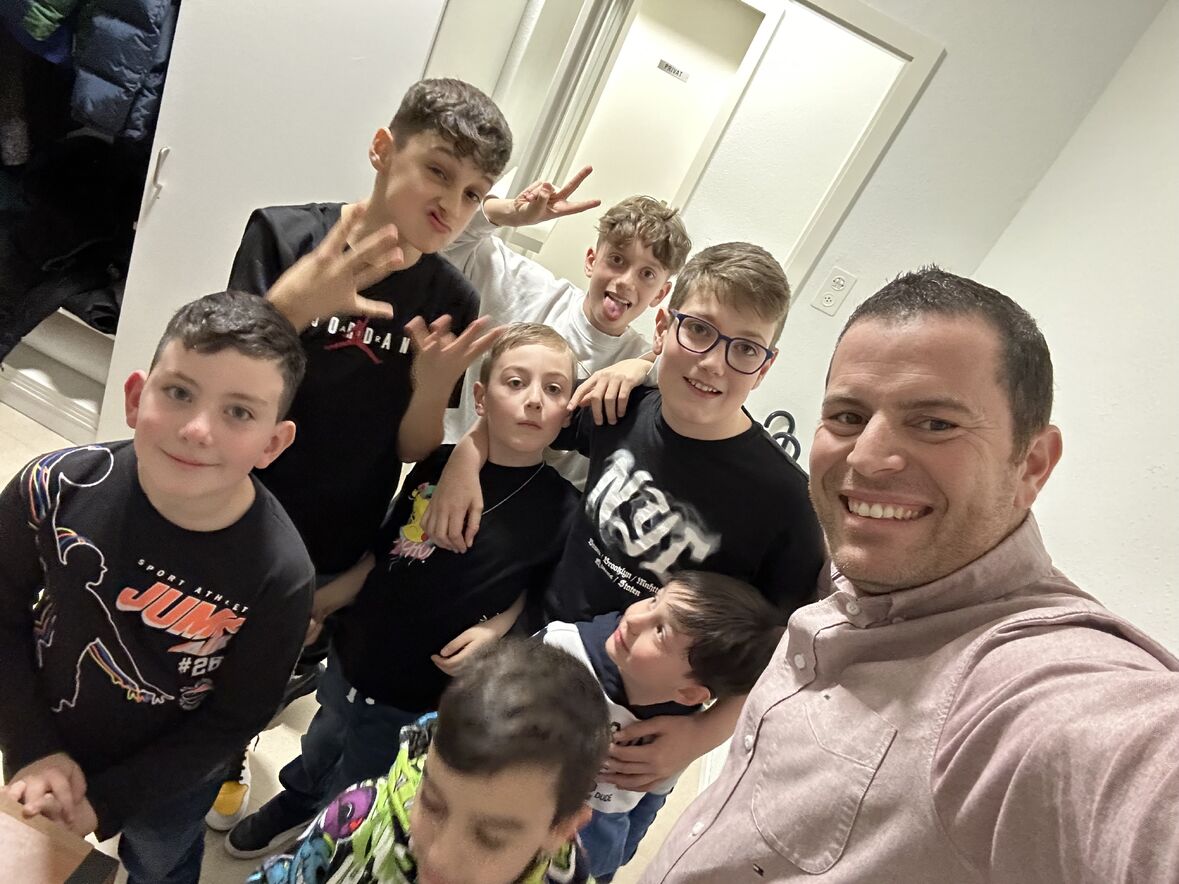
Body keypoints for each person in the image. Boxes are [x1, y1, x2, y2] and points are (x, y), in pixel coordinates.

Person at [640, 267, 1179, 883]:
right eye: (847, 416)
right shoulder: (851, 578)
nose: (868, 457)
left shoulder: (1034, 687)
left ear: (1032, 464)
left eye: (935, 423)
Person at [430, 240, 826, 836]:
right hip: (540, 655)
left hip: (634, 736)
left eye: (745, 348)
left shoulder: (786, 502)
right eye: (699, 330)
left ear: (765, 366)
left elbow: (788, 654)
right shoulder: (620, 406)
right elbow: (523, 421)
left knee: (574, 857)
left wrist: (701, 734)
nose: (714, 363)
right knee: (470, 821)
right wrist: (466, 454)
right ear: (664, 326)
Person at [208, 76, 513, 828]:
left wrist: (431, 389)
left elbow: (413, 445)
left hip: (333, 531)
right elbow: (218, 376)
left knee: (262, 669)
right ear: (382, 149)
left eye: (474, 193)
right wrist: (293, 307)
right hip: (230, 505)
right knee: (190, 651)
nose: (452, 202)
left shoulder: (451, 299)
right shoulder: (286, 236)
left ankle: (227, 755)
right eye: (438, 170)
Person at [226, 323, 581, 860]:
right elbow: (386, 550)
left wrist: (496, 631)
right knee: (323, 736)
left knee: (363, 776)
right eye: (516, 382)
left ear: (567, 412)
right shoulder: (440, 463)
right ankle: (297, 797)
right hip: (356, 649)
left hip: (421, 688)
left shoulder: (562, 510)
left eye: (553, 389)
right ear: (480, 397)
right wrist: (329, 599)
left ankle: (324, 840)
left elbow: (543, 601)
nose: (534, 400)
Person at [0, 291, 315, 884]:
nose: (197, 430)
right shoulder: (52, 487)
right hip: (44, 727)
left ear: (273, 443)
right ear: (134, 396)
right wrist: (30, 746)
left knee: (159, 861)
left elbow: (234, 718)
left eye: (239, 412)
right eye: (179, 393)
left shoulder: (281, 575)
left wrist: (107, 802)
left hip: (175, 772)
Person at [249, 638, 609, 884]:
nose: (439, 857)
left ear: (562, 829)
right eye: (432, 804)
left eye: (490, 837)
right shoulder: (358, 818)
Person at [436, 170, 691, 502]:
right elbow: (447, 240)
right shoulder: (529, 289)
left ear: (660, 293)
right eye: (617, 260)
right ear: (591, 260)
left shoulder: (642, 364)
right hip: (447, 473)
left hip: (533, 513)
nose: (626, 281)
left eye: (647, 274)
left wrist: (643, 366)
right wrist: (510, 212)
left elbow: (694, 397)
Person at [542, 570, 785, 881]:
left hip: (591, 860)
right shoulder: (559, 652)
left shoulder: (673, 734)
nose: (632, 619)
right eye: (653, 601)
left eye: (660, 632)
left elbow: (652, 797)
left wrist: (621, 851)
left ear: (689, 694)